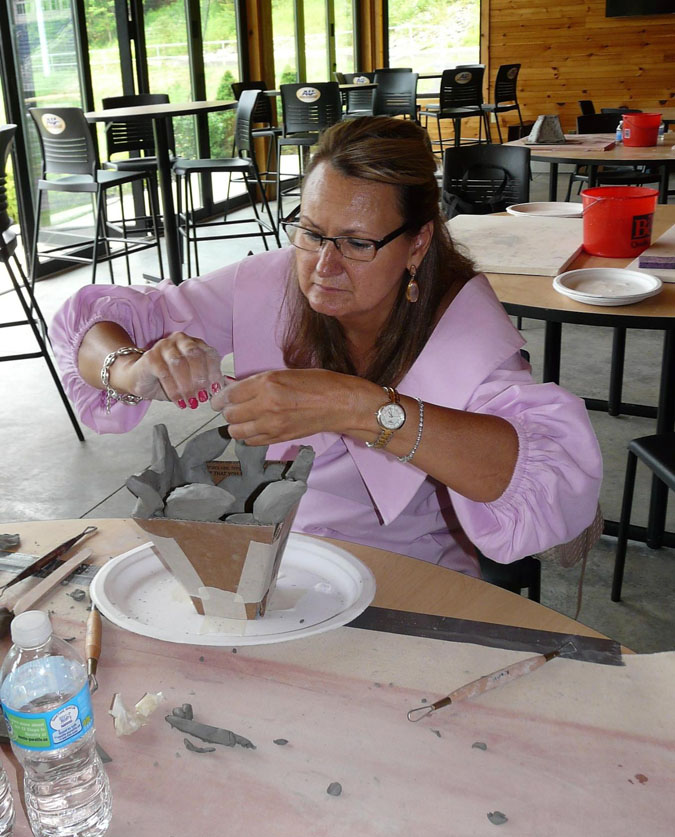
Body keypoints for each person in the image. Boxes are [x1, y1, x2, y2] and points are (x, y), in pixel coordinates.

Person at [51, 116, 602, 577]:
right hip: (279, 556)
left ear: (419, 242)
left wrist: (356, 406)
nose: (323, 267)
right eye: (312, 232)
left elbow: (546, 481)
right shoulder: (274, 280)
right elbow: (92, 325)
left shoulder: (462, 330)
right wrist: (131, 370)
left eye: (358, 243)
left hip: (405, 574)